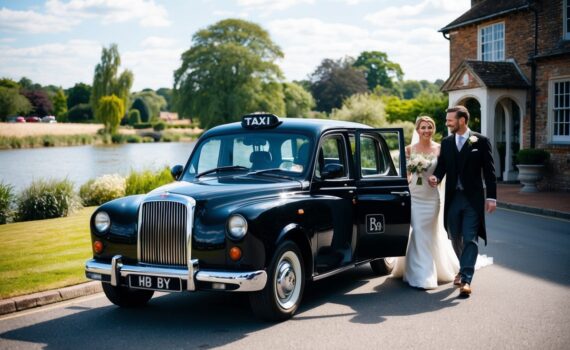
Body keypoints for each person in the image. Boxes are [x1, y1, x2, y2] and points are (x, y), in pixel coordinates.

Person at [428, 105, 497, 297]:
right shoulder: (447, 142)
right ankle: (462, 267)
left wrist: (491, 197)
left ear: (462, 120)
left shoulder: (480, 141)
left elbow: (490, 172)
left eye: (450, 120)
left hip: (472, 199)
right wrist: (436, 177)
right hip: (453, 197)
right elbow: (442, 167)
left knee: (470, 237)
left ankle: (466, 279)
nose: (447, 123)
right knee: (454, 235)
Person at [392, 116, 460, 289]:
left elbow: (443, 171)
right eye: (423, 127)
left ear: (434, 129)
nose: (426, 130)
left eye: (430, 127)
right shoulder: (408, 150)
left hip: (431, 198)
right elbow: (404, 175)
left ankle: (431, 269)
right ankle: (422, 274)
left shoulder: (440, 149)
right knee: (418, 231)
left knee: (429, 233)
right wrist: (408, 176)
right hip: (414, 196)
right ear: (417, 130)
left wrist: (436, 179)